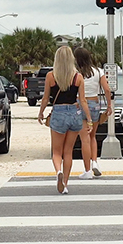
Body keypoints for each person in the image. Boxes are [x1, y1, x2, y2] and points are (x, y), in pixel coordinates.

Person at [37, 45, 92, 194]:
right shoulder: (78, 77)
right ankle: (65, 184)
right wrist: (89, 119)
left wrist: (41, 113)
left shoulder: (51, 76)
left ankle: (58, 172)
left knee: (56, 151)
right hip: (74, 113)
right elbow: (83, 100)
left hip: (58, 113)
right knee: (68, 151)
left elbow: (45, 98)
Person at [74, 46, 111, 179]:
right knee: (92, 136)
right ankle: (95, 162)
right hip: (95, 104)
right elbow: (106, 89)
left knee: (84, 139)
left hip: (79, 104)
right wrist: (109, 105)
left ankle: (87, 170)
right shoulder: (98, 71)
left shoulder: (75, 72)